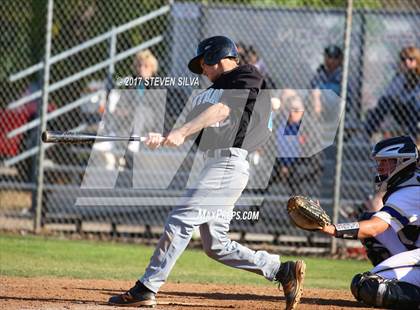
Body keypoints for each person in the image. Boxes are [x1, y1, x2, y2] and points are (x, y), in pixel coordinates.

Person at [108, 36, 306, 310]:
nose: (203, 71)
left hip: (229, 163)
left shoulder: (247, 74)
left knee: (180, 219)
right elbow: (196, 129)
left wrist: (180, 131)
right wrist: (162, 137)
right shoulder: (208, 91)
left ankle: (147, 287)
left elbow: (223, 110)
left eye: (204, 64)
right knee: (216, 245)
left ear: (218, 56)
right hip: (214, 165)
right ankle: (281, 270)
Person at [318, 135, 420, 308]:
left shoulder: (409, 190)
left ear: (402, 162)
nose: (379, 167)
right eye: (379, 162)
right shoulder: (409, 184)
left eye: (385, 162)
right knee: (366, 284)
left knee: (369, 286)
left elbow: (374, 228)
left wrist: (331, 228)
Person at [365, 46, 420, 138]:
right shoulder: (400, 78)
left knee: (413, 102)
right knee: (385, 101)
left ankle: (414, 137)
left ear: (417, 61)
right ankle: (366, 134)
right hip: (404, 112)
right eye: (403, 59)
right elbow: (388, 96)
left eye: (411, 59)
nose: (406, 62)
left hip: (416, 112)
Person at [310, 45, 343, 116]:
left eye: (335, 58)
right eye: (329, 57)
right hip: (319, 105)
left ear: (340, 60)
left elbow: (342, 94)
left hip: (335, 108)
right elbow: (312, 87)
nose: (332, 60)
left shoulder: (343, 75)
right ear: (325, 58)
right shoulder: (320, 73)